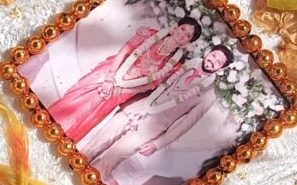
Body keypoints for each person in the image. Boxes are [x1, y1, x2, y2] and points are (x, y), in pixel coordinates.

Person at [88, 44, 233, 185]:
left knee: (110, 159)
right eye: (214, 55)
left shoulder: (209, 95)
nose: (213, 61)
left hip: (150, 130)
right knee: (97, 142)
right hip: (135, 111)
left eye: (219, 62)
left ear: (220, 69)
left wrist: (158, 144)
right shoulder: (184, 64)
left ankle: (86, 183)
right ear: (208, 52)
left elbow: (186, 124)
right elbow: (153, 81)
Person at [46, 19, 202, 143]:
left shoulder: (175, 64)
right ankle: (48, 124)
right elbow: (125, 51)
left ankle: (60, 140)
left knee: (90, 115)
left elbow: (151, 85)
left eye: (188, 35)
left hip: (124, 92)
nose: (183, 35)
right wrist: (109, 78)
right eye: (183, 29)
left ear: (188, 43)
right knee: (75, 100)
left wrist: (123, 90)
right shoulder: (150, 34)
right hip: (109, 72)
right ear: (176, 27)